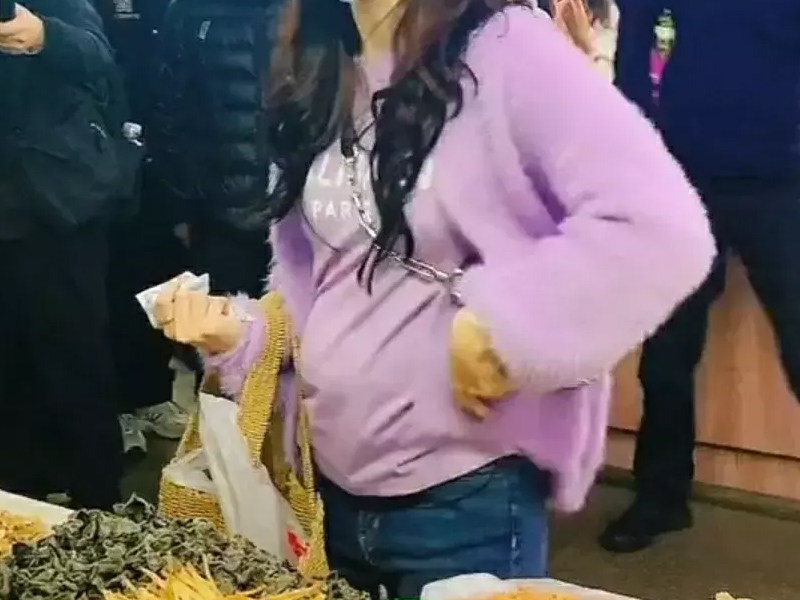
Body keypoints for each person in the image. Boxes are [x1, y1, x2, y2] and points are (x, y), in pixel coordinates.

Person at [154, 0, 714, 594]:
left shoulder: (504, 47)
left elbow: (659, 226)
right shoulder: (323, 60)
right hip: (327, 502)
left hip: (464, 509)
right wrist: (244, 337)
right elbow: (323, 288)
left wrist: (509, 325)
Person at [601, 0, 800, 553]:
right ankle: (660, 498)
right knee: (666, 356)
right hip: (678, 180)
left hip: (780, 181)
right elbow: (633, 52)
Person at [0, 0, 124, 508]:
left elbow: (99, 56)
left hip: (56, 210)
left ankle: (99, 504)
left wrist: (45, 36)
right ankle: (18, 504)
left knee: (75, 360)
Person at [96, 0, 189, 455]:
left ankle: (152, 394)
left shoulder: (166, 10)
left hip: (160, 161)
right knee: (107, 287)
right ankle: (115, 409)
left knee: (158, 279)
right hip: (97, 165)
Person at [147, 0, 280, 299]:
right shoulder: (190, 11)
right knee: (228, 322)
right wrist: (182, 208)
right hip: (222, 218)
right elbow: (168, 113)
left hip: (304, 215)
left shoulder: (316, 12)